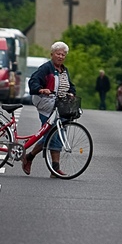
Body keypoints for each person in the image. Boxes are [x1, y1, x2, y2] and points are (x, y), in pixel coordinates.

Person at [21, 41, 76, 178]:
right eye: (58, 54)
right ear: (52, 54)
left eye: (63, 54)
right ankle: (55, 169)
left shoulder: (64, 70)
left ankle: (29, 157)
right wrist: (41, 89)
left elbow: (70, 86)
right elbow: (33, 81)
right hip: (46, 105)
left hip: (61, 106)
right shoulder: (45, 68)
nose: (61, 56)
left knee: (53, 136)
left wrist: (71, 93)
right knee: (53, 135)